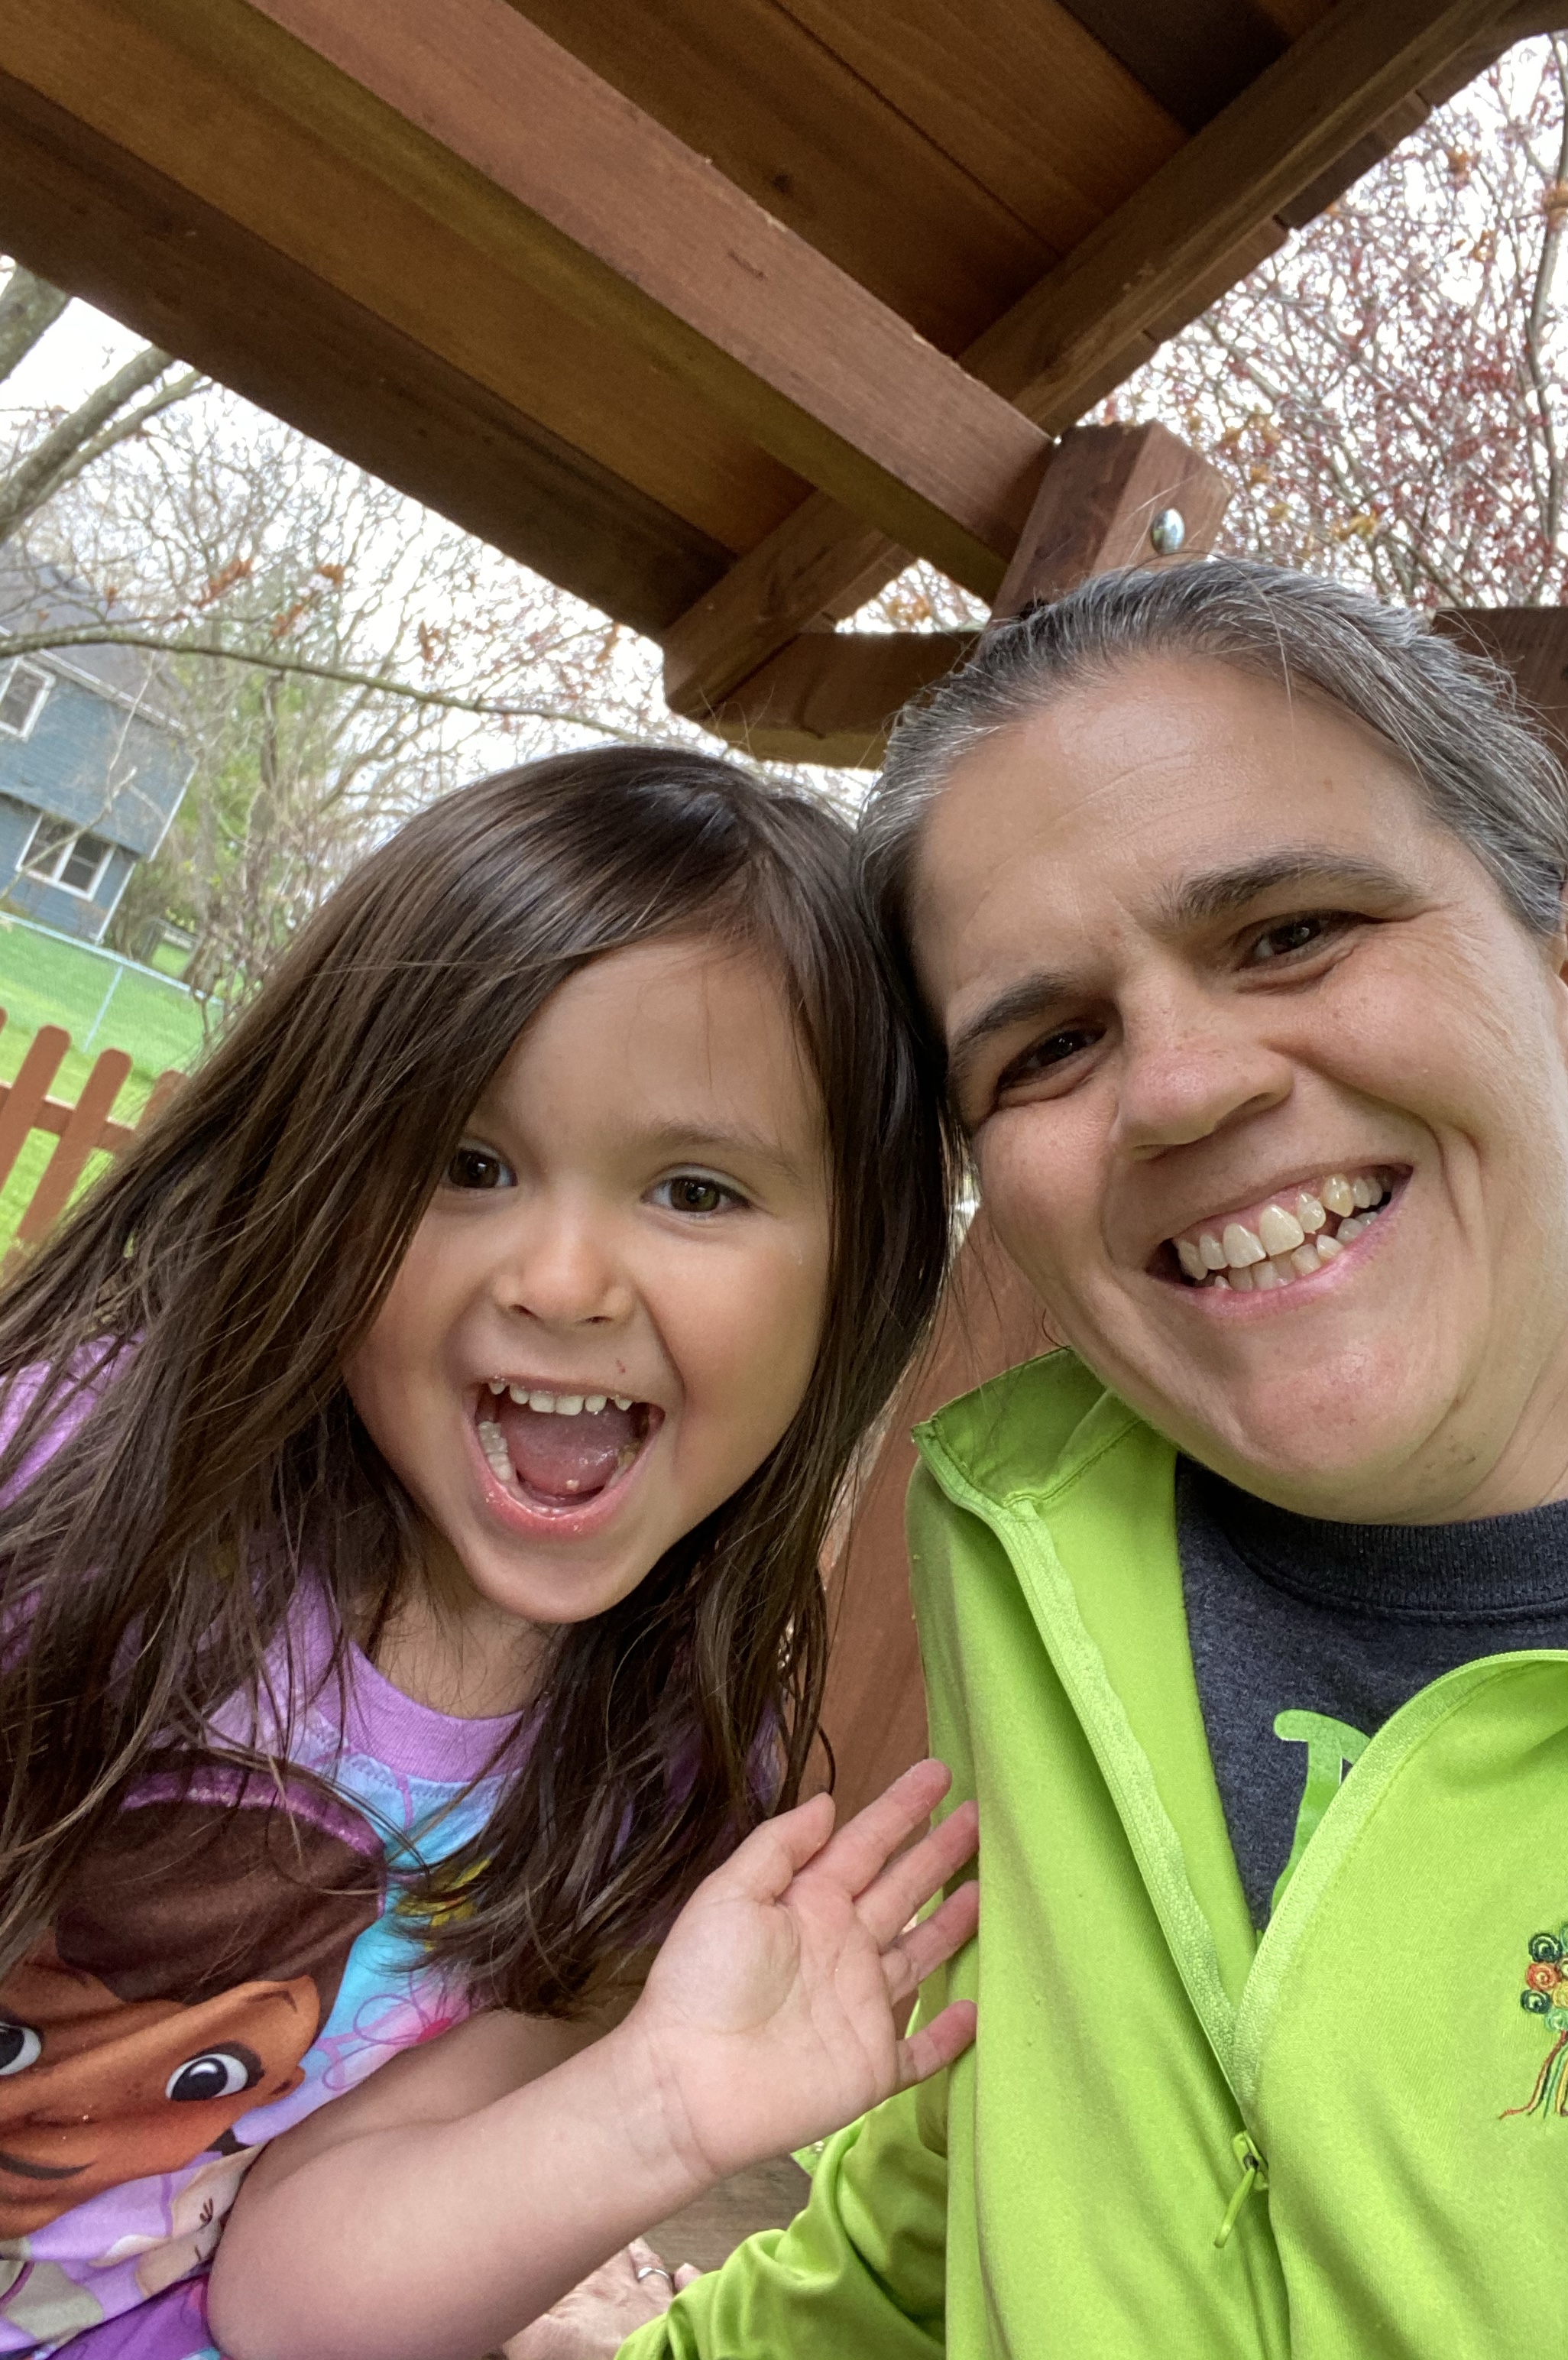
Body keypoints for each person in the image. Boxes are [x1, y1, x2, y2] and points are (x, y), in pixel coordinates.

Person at [610, 559, 1568, 2358]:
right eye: (1050, 1043)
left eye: (1290, 931)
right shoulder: (1032, 1541)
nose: (1178, 1086)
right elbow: (969, 2203)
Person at [0, 748, 980, 2360]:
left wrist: (653, 2102)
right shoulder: (83, 1484)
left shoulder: (658, 1780)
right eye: (470, 1165)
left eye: (695, 1188)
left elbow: (289, 2293)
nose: (565, 1278)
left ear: (858, 1273)